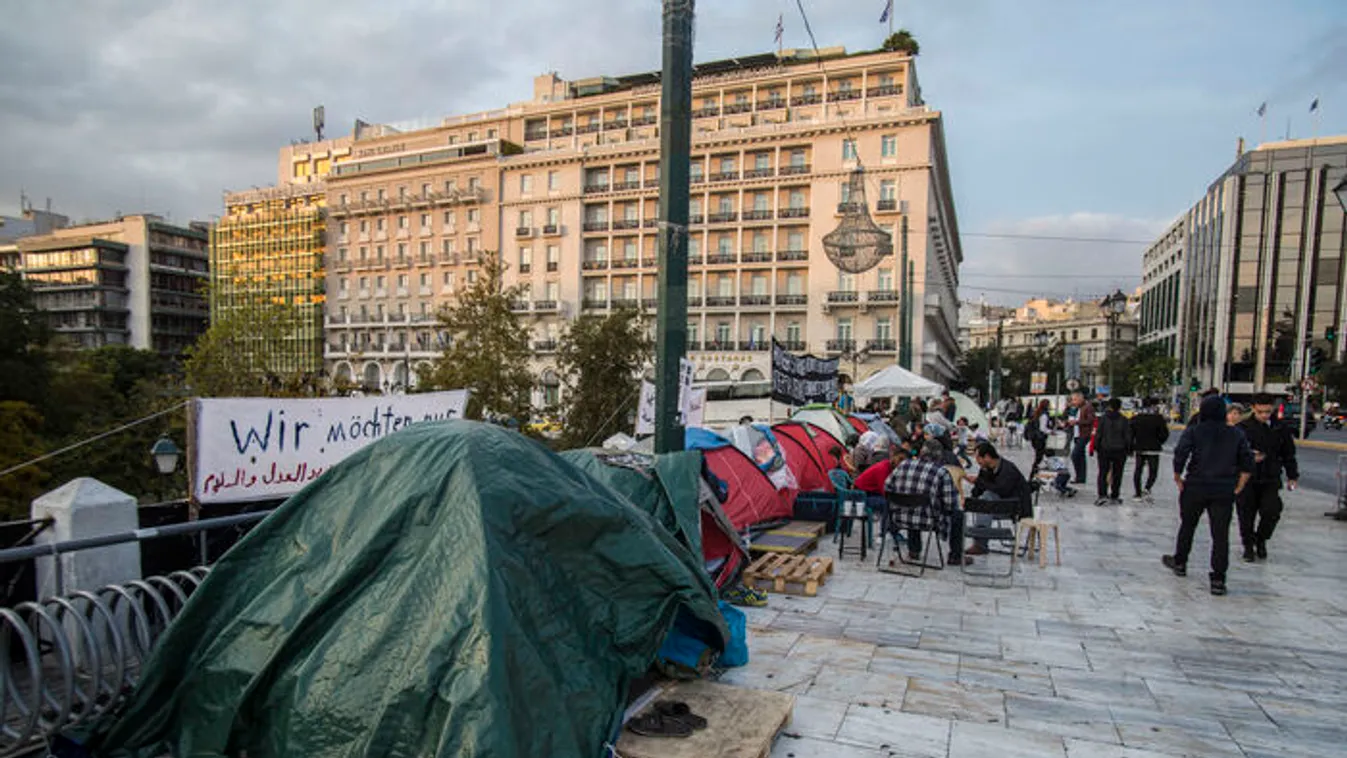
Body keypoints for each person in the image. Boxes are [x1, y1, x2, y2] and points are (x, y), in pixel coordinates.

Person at [1164, 395, 1254, 596]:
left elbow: (1181, 453)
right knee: (1220, 535)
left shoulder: (1195, 431)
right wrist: (1239, 486)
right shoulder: (1236, 434)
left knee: (1188, 525)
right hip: (1223, 487)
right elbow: (1247, 462)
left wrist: (1178, 476)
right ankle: (1218, 579)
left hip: (1196, 484)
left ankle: (1180, 562)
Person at [1236, 393, 1299, 562]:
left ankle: (1261, 539)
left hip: (1270, 478)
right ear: (1253, 409)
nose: (1264, 415)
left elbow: (1288, 454)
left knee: (1272, 510)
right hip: (1247, 479)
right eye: (1260, 412)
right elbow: (1234, 453)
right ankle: (1248, 547)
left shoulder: (1280, 428)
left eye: (1268, 412)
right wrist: (1249, 456)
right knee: (1246, 515)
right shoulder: (1242, 428)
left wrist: (1292, 475)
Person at [884, 440, 967, 565]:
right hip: (929, 521)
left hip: (898, 519)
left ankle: (914, 550)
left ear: (921, 452)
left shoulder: (904, 464)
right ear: (939, 456)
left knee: (911, 504)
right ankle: (955, 556)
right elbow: (950, 504)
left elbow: (887, 487)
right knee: (958, 515)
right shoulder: (941, 472)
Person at [964, 442, 1032, 557]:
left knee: (987, 498)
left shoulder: (1008, 469)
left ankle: (980, 545)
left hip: (1013, 507)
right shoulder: (986, 469)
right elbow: (977, 491)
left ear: (987, 457)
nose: (977, 461)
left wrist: (979, 482)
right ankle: (980, 542)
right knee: (983, 501)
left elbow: (1002, 490)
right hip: (995, 506)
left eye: (978, 458)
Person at [1093, 397, 1132, 505]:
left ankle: (1102, 494)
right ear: (1120, 407)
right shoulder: (1124, 420)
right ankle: (1115, 495)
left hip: (1104, 449)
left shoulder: (1103, 419)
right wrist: (1128, 449)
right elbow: (1128, 436)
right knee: (1117, 473)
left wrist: (1096, 447)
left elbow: (1098, 434)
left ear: (1109, 406)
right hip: (1120, 450)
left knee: (1103, 472)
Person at [1129, 398, 1169, 500]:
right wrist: (1159, 442)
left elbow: (1130, 432)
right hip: (1153, 448)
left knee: (1138, 470)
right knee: (1153, 471)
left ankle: (1137, 492)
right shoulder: (1158, 418)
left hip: (1140, 447)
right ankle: (1147, 488)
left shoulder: (1137, 418)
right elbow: (1164, 434)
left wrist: (1132, 444)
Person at [1066, 391, 1096, 484]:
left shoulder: (1088, 407)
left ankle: (1080, 476)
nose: (1073, 402)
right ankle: (1081, 477)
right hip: (1077, 434)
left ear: (1081, 398)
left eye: (1075, 399)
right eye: (1072, 399)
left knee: (1075, 454)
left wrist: (1077, 422)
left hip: (1084, 434)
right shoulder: (1077, 408)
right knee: (1080, 456)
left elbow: (1090, 420)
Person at [1027, 399, 1052, 471]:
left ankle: (1036, 469)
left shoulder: (1038, 413)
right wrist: (1051, 432)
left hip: (1035, 438)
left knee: (1040, 455)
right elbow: (1042, 428)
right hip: (1040, 438)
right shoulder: (1044, 415)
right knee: (1040, 456)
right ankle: (1034, 470)